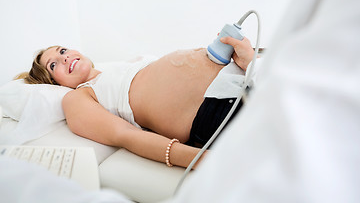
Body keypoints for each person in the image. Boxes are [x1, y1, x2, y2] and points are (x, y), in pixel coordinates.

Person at [17, 36, 256, 169]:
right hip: (215, 112)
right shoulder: (78, 97)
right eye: (53, 65)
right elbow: (127, 136)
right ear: (54, 84)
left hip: (242, 84)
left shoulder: (125, 65)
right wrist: (198, 159)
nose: (64, 57)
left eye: (63, 50)